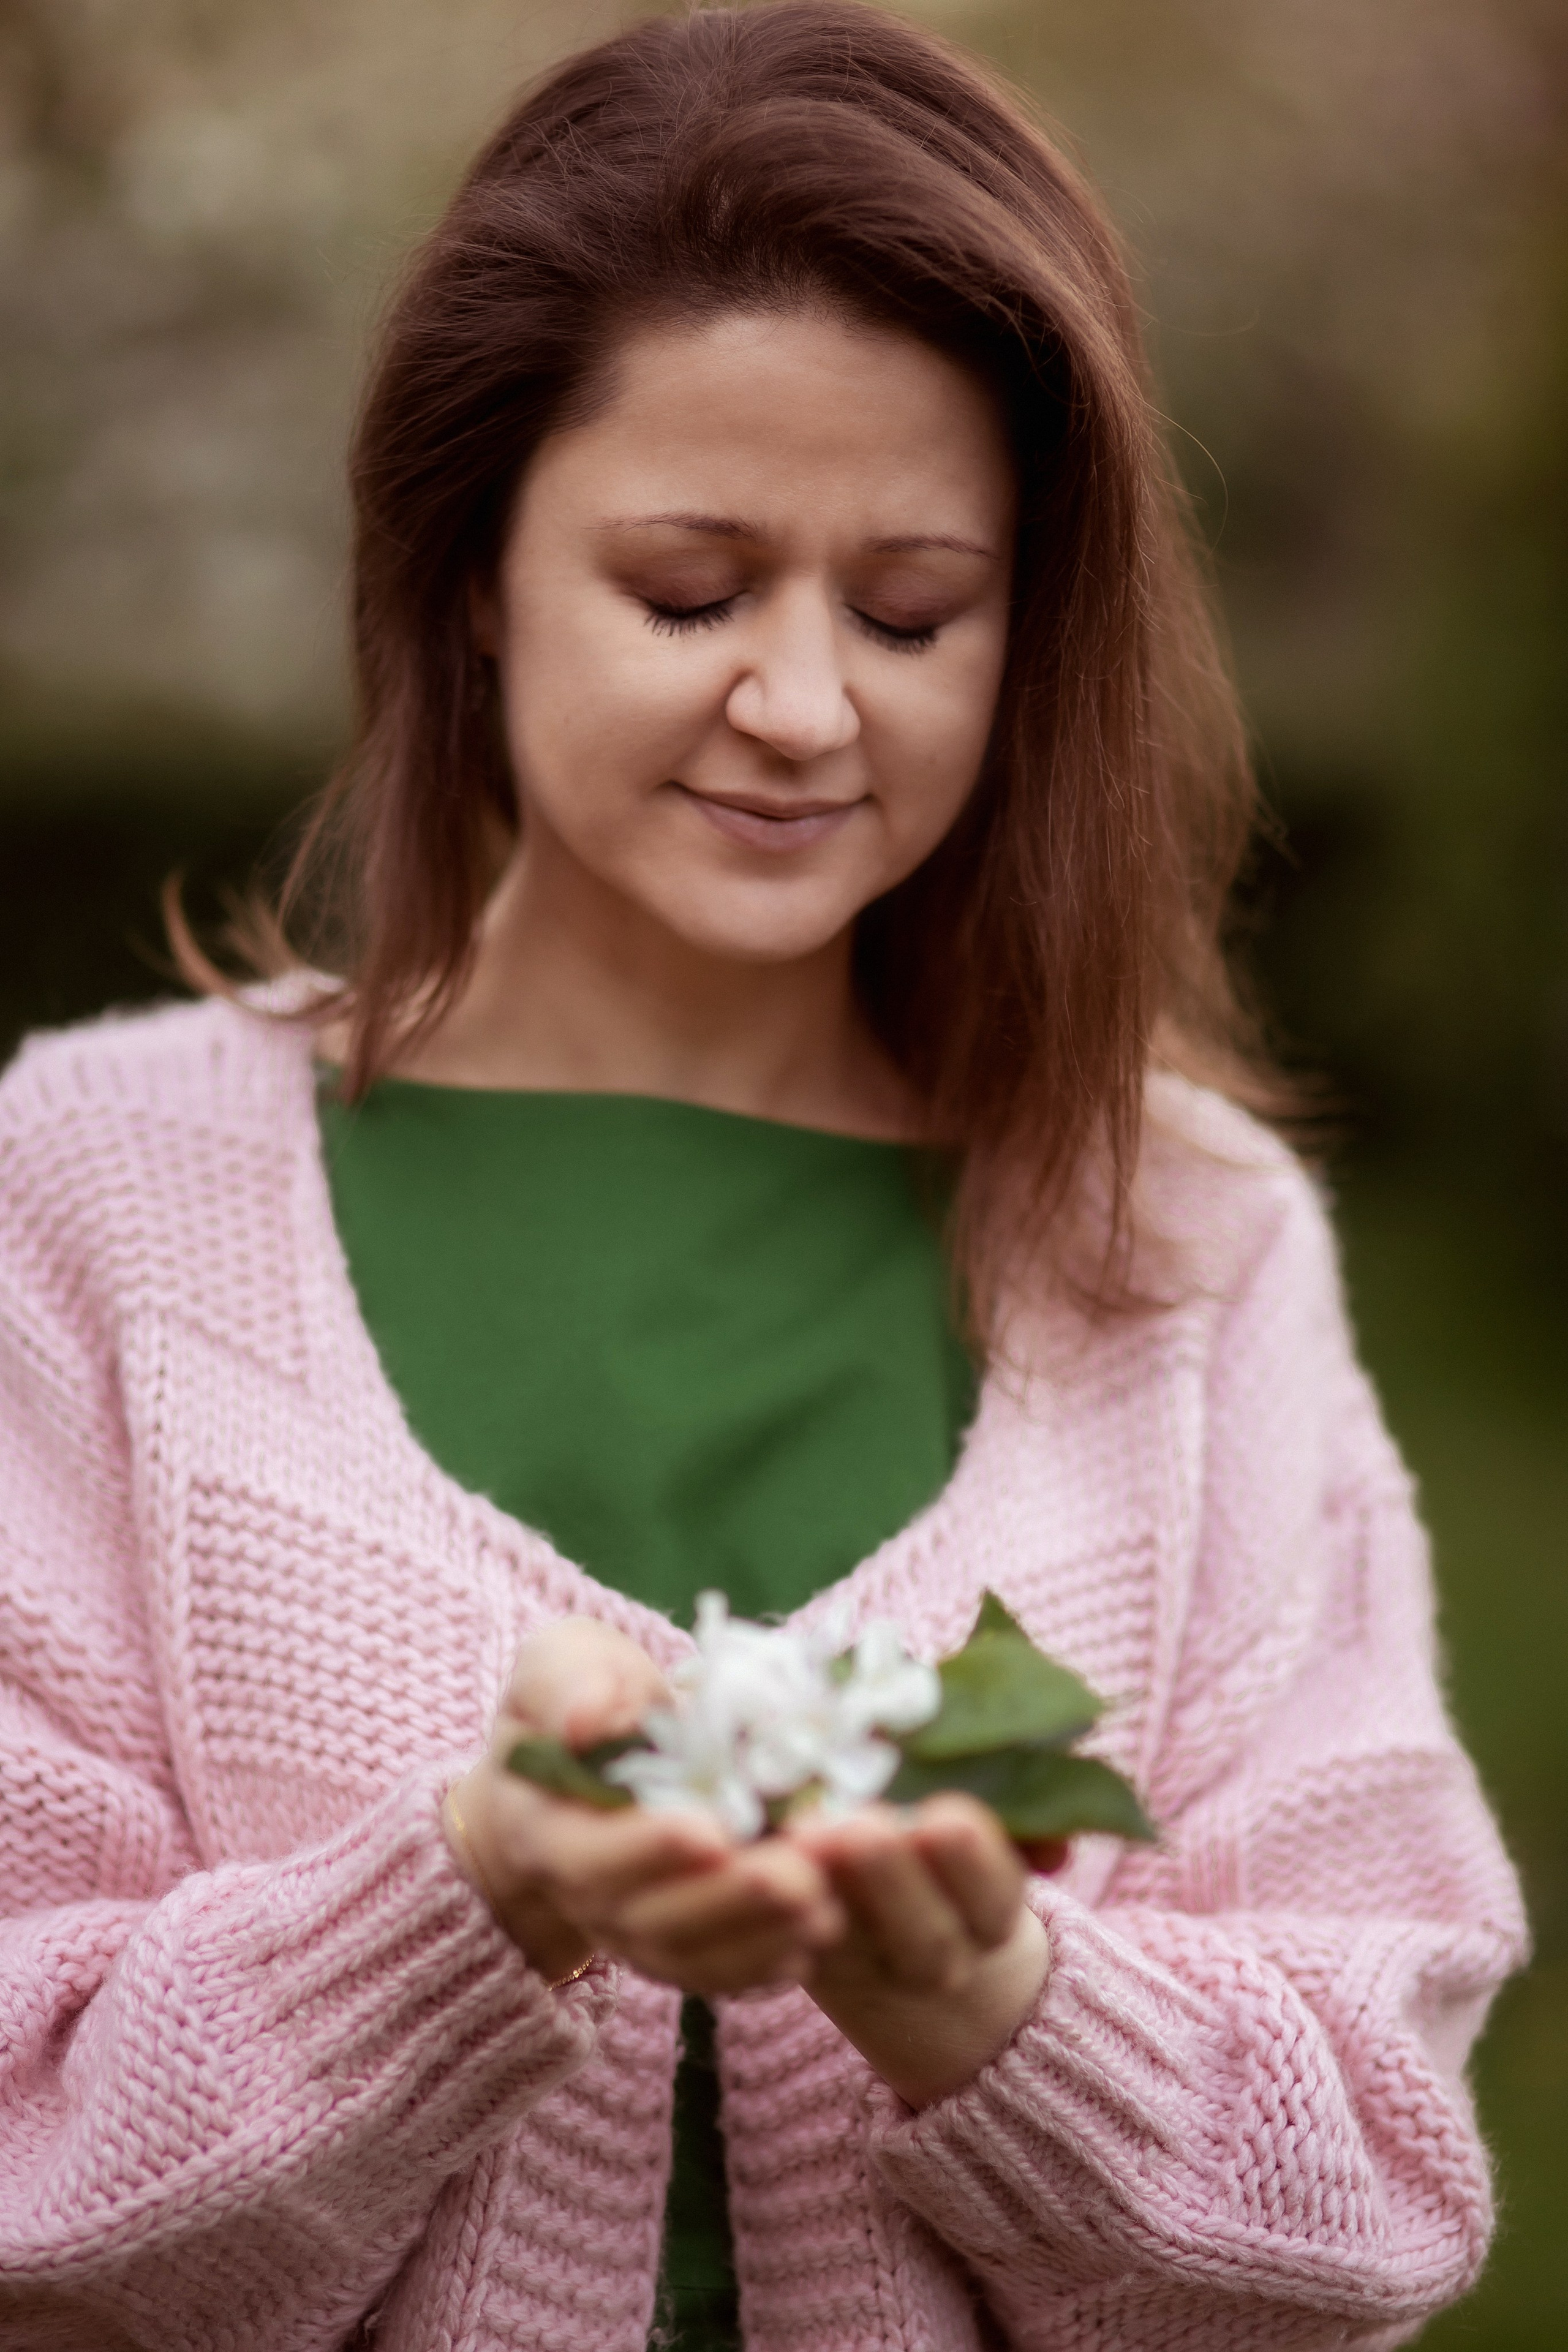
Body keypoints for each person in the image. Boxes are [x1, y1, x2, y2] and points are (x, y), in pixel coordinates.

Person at [0, 5, 1526, 2348]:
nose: (809, 706)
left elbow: (1376, 2199)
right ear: (475, 571)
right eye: (692, 591)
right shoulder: (88, 1204)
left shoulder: (1192, 1257)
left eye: (914, 613)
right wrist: (465, 1907)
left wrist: (1002, 2020)